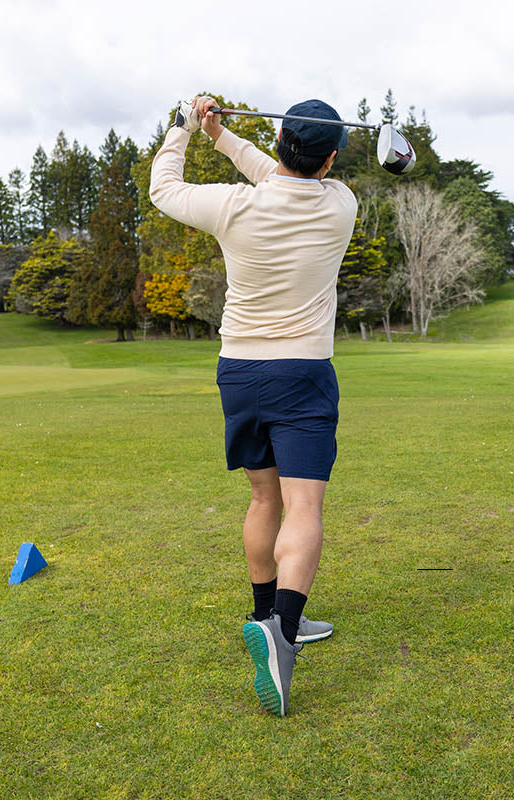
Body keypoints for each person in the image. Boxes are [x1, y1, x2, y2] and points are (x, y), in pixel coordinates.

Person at [149, 95, 357, 716]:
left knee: (263, 498)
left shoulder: (234, 207)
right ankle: (282, 633)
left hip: (239, 371)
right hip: (302, 373)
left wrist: (192, 128)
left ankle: (264, 611)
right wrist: (227, 141)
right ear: (330, 159)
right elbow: (285, 179)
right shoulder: (341, 203)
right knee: (304, 506)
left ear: (285, 144)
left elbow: (164, 188)